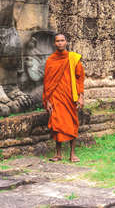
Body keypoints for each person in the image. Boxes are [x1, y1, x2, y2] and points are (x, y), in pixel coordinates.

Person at [43, 33, 85, 162]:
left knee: (72, 123)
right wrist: (47, 100)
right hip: (56, 97)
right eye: (58, 41)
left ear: (66, 42)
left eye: (62, 40)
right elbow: (47, 82)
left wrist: (81, 96)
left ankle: (72, 154)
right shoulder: (50, 60)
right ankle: (58, 154)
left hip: (70, 96)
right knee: (57, 124)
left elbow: (80, 78)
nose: (60, 43)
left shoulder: (73, 58)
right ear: (54, 43)